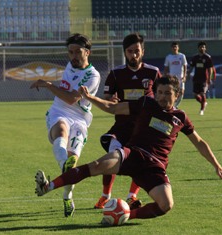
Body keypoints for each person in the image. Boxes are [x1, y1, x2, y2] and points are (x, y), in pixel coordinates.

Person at [35, 75, 222, 223]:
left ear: (178, 94)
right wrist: (92, 98)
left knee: (166, 205)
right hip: (132, 154)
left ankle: (126, 214)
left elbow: (199, 142)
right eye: (159, 92)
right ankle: (48, 187)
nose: (162, 97)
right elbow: (113, 108)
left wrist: (217, 166)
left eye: (167, 93)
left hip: (155, 167)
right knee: (96, 165)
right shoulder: (146, 103)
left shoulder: (181, 118)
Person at [30, 33, 101, 217]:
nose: (73, 56)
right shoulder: (70, 65)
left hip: (80, 118)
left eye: (78, 52)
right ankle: (63, 168)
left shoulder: (92, 76)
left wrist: (47, 85)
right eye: (70, 52)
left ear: (88, 52)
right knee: (61, 132)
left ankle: (67, 195)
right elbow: (65, 100)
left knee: (73, 160)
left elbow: (71, 99)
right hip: (58, 112)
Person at [94, 32, 161, 210]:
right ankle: (105, 197)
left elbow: (162, 95)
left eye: (137, 51)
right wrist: (111, 100)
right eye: (130, 51)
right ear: (125, 52)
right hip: (122, 125)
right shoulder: (116, 74)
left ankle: (132, 196)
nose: (134, 55)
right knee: (111, 158)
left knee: (140, 162)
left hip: (144, 127)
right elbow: (107, 97)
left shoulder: (153, 72)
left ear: (143, 51)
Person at [188, 41, 213, 115]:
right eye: (201, 47)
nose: (202, 48)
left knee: (202, 94)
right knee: (196, 96)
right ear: (198, 48)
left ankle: (202, 110)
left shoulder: (207, 57)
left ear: (205, 48)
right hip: (196, 78)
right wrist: (188, 74)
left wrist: (209, 78)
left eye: (204, 47)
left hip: (204, 79)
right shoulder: (195, 57)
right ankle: (204, 103)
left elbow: (210, 69)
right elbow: (191, 67)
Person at [164, 41, 187, 108]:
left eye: (176, 46)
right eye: (173, 47)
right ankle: (173, 106)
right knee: (172, 92)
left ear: (178, 47)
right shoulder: (169, 57)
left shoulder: (182, 56)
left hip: (181, 77)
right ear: (171, 48)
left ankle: (175, 106)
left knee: (181, 92)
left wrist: (185, 75)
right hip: (172, 79)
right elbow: (166, 68)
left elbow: (185, 66)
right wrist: (165, 76)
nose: (174, 48)